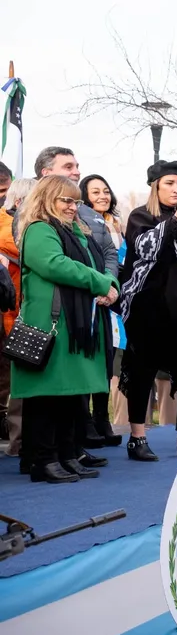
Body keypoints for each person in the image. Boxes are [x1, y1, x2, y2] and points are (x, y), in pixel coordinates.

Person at [12, 176, 119, 483]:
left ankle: (66, 454)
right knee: (47, 396)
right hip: (50, 324)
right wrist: (102, 282)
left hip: (71, 325)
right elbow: (54, 264)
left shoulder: (72, 230)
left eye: (76, 201)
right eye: (67, 201)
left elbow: (97, 263)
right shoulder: (39, 229)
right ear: (47, 199)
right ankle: (43, 459)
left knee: (68, 395)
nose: (74, 207)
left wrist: (110, 284)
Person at [119, 161, 177, 461]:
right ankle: (137, 438)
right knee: (142, 372)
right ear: (156, 186)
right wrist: (175, 221)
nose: (176, 189)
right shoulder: (140, 216)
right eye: (170, 183)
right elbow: (145, 248)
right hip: (148, 308)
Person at [79, 173, 126, 446]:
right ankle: (86, 421)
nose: (102, 196)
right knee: (89, 358)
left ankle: (101, 418)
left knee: (106, 359)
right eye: (95, 191)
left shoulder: (115, 224)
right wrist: (100, 286)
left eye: (106, 191)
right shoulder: (81, 219)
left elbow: (113, 257)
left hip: (112, 299)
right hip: (90, 298)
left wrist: (110, 285)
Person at [0, 175, 37, 458]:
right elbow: (25, 251)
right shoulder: (8, 226)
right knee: (19, 381)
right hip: (14, 316)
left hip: (23, 313)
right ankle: (19, 443)